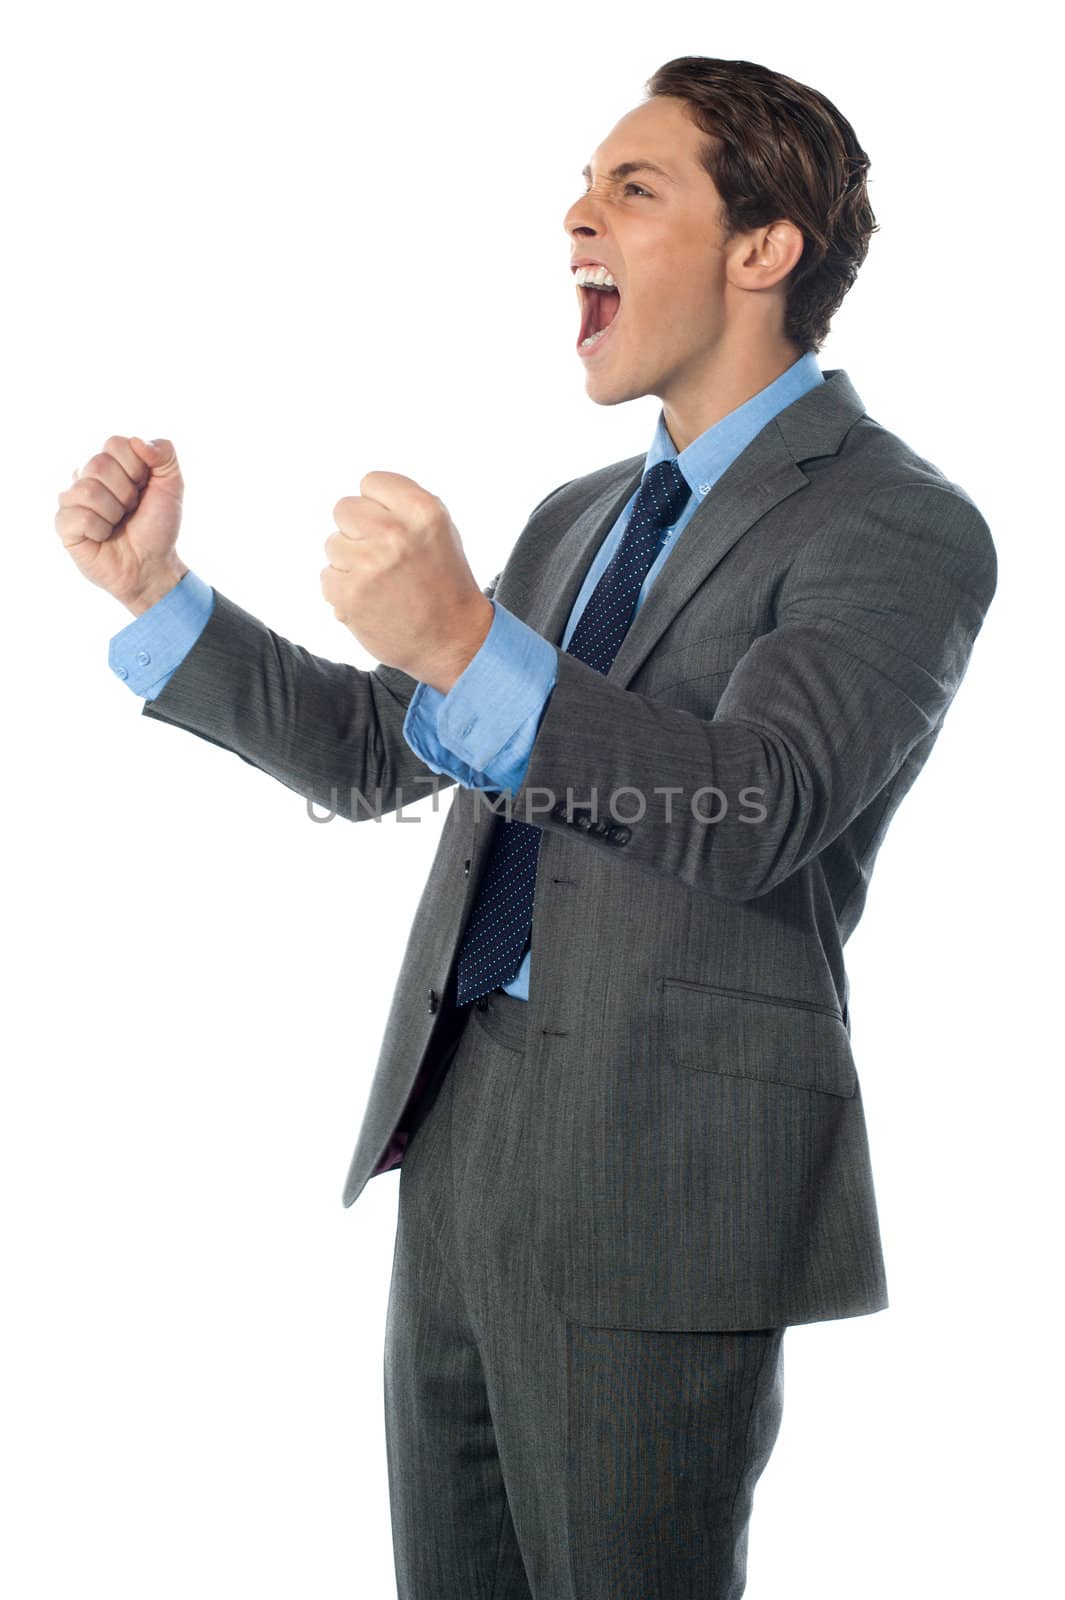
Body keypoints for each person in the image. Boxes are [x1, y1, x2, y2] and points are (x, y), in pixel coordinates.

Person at [54, 54, 997, 1600]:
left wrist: (466, 645)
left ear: (764, 250)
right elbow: (381, 751)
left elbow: (753, 807)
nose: (575, 215)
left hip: (661, 1177)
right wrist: (160, 598)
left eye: (633, 188)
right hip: (461, 1133)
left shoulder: (896, 521)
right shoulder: (580, 516)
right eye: (584, 183)